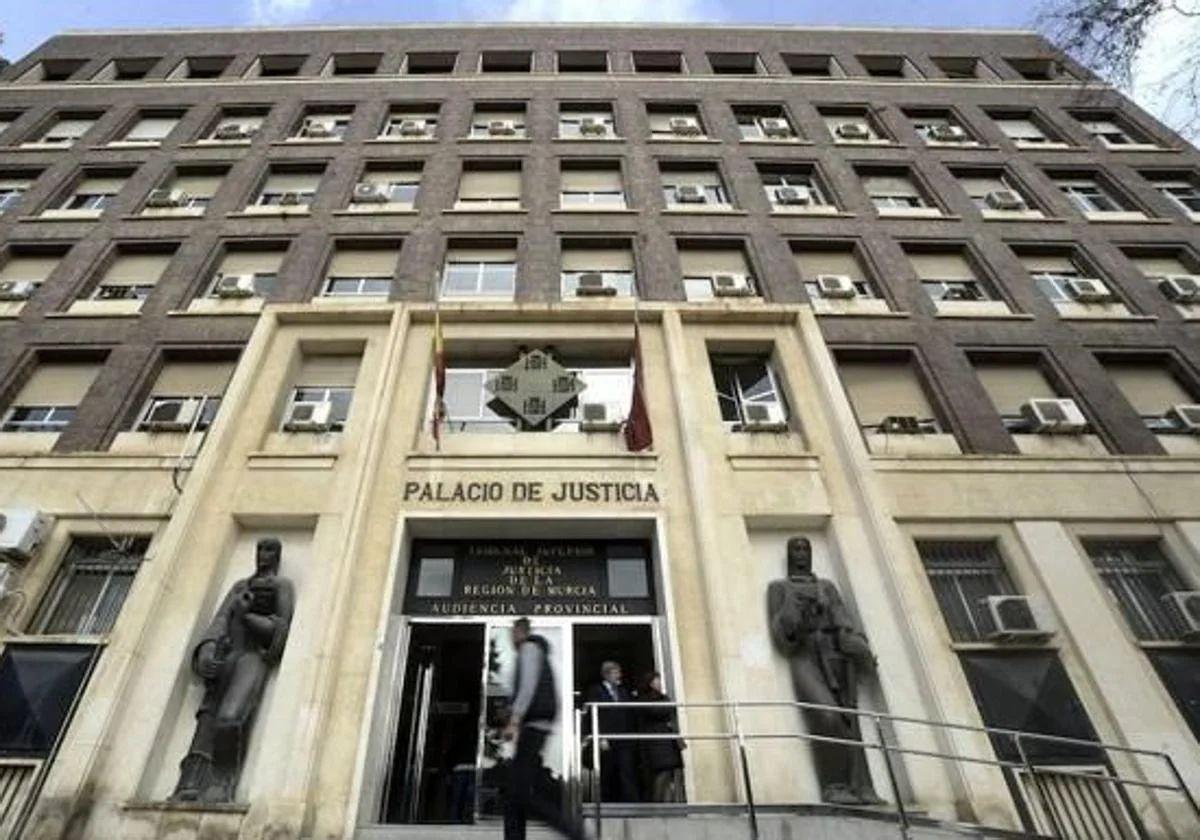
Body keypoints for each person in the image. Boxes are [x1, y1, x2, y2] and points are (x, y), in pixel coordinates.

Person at [172, 537, 295, 803]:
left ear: (278, 555)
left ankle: (221, 780)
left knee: (230, 717)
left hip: (252, 657)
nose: (264, 554)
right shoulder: (240, 586)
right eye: (261, 549)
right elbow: (220, 620)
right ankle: (191, 781)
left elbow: (280, 630)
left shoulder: (281, 586)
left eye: (270, 549)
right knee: (207, 718)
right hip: (228, 654)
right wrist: (206, 649)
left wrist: (248, 615)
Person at [766, 536, 883, 806]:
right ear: (788, 554)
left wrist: (857, 646)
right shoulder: (779, 588)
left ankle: (862, 786)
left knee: (849, 720)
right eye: (795, 548)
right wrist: (794, 609)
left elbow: (844, 620)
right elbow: (782, 635)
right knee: (827, 715)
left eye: (805, 548)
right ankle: (835, 785)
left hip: (835, 653)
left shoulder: (826, 587)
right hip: (805, 655)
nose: (801, 553)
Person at [502, 618, 586, 840]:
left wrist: (514, 720)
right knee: (515, 793)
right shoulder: (537, 651)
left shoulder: (529, 649)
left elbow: (528, 687)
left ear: (519, 632)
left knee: (520, 792)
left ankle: (573, 831)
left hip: (534, 727)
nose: (510, 639)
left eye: (512, 633)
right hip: (535, 726)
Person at [583, 661, 639, 803]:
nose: (619, 676)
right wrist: (600, 737)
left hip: (624, 738)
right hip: (606, 738)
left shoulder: (623, 691)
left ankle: (631, 803)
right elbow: (593, 716)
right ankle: (604, 802)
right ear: (607, 674)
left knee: (627, 771)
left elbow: (629, 714)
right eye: (616, 672)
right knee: (607, 772)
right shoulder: (595, 690)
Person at [636, 672, 685, 803]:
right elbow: (657, 711)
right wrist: (667, 704)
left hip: (666, 742)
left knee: (669, 775)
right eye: (657, 680)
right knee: (662, 775)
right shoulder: (646, 698)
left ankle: (668, 804)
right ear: (651, 683)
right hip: (658, 742)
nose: (660, 683)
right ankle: (659, 806)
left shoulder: (660, 697)